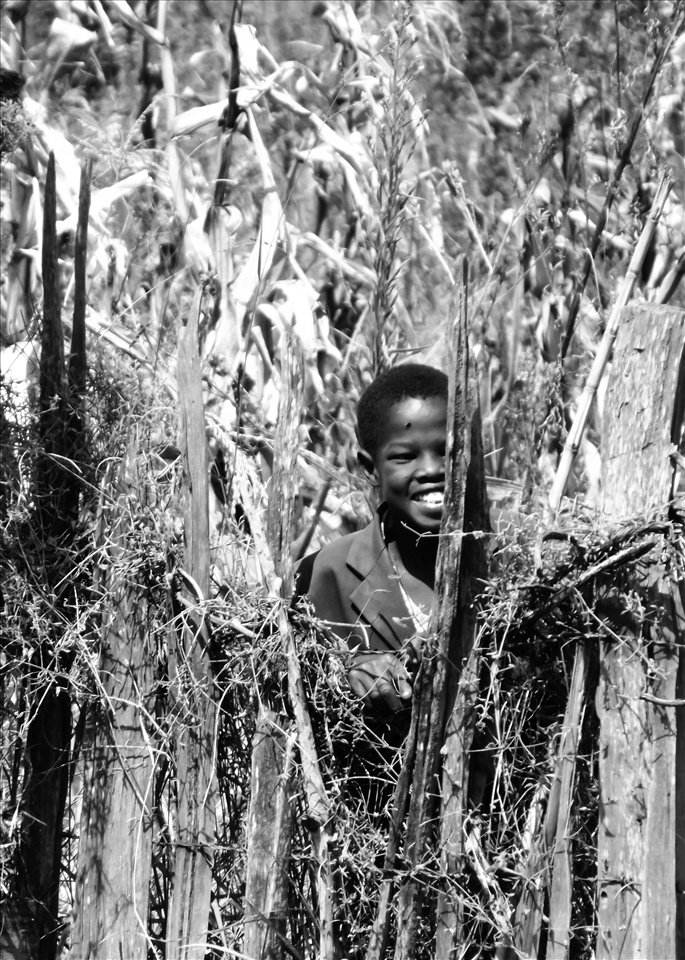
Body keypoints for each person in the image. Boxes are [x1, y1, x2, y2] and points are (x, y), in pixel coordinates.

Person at [294, 363, 448, 715]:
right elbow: (289, 678)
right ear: (369, 466)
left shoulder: (510, 563)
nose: (431, 470)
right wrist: (347, 672)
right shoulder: (321, 575)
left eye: (447, 451)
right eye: (405, 457)